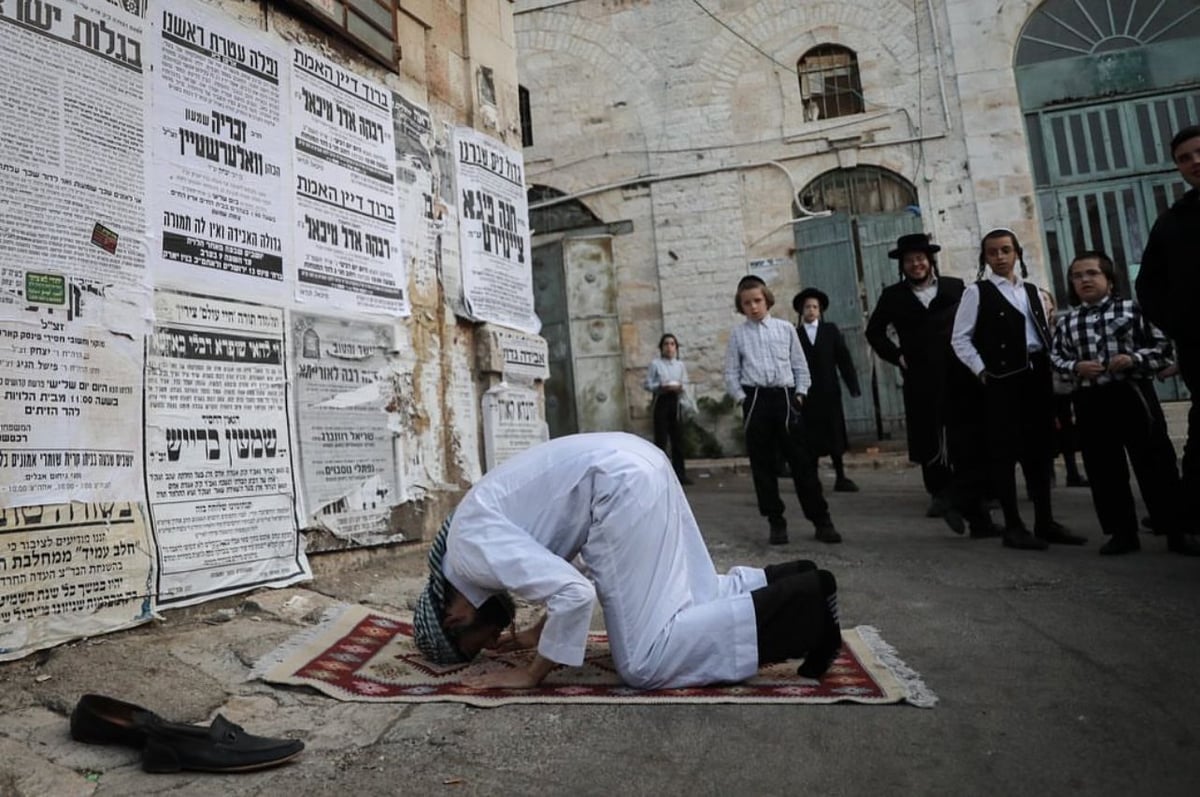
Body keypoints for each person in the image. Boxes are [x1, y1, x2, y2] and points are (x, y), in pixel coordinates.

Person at [411, 433, 843, 689]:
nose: (490, 645)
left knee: (642, 662)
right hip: (640, 461)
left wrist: (531, 674)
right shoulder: (467, 542)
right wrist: (538, 633)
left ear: (454, 620)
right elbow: (563, 572)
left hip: (618, 487)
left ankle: (805, 608)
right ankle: (793, 580)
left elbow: (575, 593)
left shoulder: (470, 556)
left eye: (475, 646)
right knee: (693, 592)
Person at [1051, 252, 1200, 556]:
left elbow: (1162, 349)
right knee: (1104, 468)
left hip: (1132, 394)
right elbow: (1056, 358)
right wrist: (1076, 367)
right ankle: (1122, 532)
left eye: (1092, 273)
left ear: (1109, 279)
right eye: (1077, 276)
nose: (1085, 280)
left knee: (1155, 462)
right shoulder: (1068, 322)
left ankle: (1174, 528)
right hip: (1091, 399)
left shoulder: (1132, 311)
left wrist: (1134, 359)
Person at [951, 228, 1085, 551]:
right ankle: (1013, 525)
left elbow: (1044, 333)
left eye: (1005, 250)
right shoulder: (977, 293)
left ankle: (1045, 521)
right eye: (992, 252)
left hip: (1037, 376)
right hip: (1002, 380)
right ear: (985, 258)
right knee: (1005, 452)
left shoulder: (1032, 292)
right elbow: (960, 338)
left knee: (1039, 450)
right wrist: (982, 370)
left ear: (1017, 253)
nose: (999, 257)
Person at [723, 275, 841, 545]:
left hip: (785, 399)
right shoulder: (738, 335)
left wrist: (799, 394)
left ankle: (821, 520)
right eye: (747, 303)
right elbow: (731, 372)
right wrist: (743, 399)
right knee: (763, 466)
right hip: (756, 401)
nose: (753, 307)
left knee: (802, 462)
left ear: (767, 300)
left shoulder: (785, 328)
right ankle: (776, 520)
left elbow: (800, 365)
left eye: (757, 301)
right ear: (740, 306)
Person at [865, 233, 964, 518]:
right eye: (910, 261)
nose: (916, 265)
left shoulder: (954, 287)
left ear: (929, 260)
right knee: (927, 432)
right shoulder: (893, 296)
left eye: (920, 259)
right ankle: (939, 492)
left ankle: (971, 488)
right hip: (920, 376)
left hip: (957, 372)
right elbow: (874, 331)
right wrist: (897, 356)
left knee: (962, 429)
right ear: (903, 265)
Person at [1134, 125, 1200, 529]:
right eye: (1184, 158)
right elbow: (1148, 285)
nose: (1195, 162)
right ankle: (1188, 518)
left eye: (1199, 152)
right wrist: (1184, 327)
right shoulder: (1173, 223)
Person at [793, 288, 862, 492]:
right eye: (807, 307)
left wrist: (853, 385)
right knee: (809, 436)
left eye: (815, 307)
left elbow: (843, 359)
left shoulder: (830, 330)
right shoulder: (795, 335)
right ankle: (813, 479)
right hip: (807, 394)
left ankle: (841, 476)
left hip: (829, 391)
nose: (811, 311)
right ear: (801, 310)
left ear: (820, 310)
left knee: (834, 434)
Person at [1039, 288, 1088, 489]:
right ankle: (1047, 475)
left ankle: (1072, 473)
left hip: (1064, 386)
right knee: (1045, 431)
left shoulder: (1061, 325)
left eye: (1046, 300)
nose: (1044, 304)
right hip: (1042, 389)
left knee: (1068, 430)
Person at [644, 333, 692, 485]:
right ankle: (661, 474)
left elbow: (686, 382)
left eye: (672, 344)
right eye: (666, 344)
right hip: (662, 401)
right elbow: (647, 384)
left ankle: (680, 474)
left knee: (678, 440)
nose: (669, 347)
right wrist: (660, 386)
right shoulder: (656, 364)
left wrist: (680, 387)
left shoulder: (680, 365)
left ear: (676, 347)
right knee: (661, 440)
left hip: (675, 402)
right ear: (661, 347)